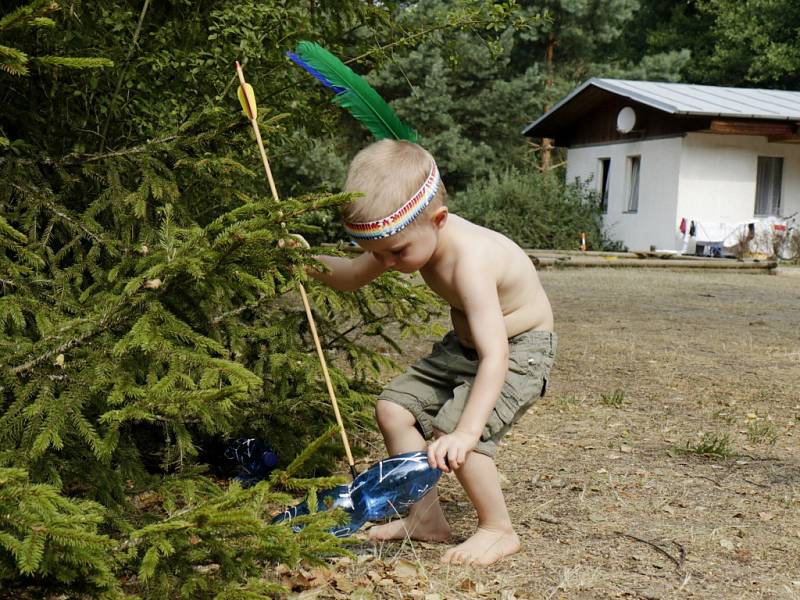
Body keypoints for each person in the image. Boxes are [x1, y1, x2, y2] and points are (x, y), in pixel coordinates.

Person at [307, 139, 556, 566]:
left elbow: (495, 358)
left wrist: (466, 432)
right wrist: (304, 260)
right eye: (375, 253)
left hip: (517, 350)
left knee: (457, 435)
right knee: (393, 408)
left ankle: (498, 529)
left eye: (395, 253)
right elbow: (349, 275)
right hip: (464, 346)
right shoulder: (404, 239)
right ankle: (425, 519)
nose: (384, 263)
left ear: (439, 220)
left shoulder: (471, 260)